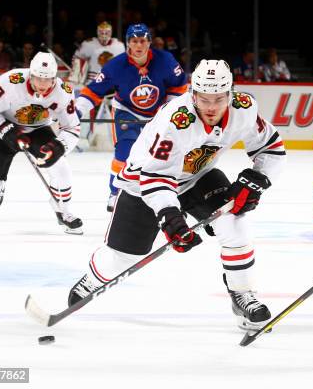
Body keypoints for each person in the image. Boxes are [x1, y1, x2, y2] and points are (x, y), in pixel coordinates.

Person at [67, 60, 286, 330]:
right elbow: (155, 177)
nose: (211, 107)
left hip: (197, 177)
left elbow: (272, 147)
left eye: (219, 98)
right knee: (122, 258)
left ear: (231, 94)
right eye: (204, 98)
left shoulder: (244, 108)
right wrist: (169, 215)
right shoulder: (175, 120)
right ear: (192, 94)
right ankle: (93, 277)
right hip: (143, 183)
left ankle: (241, 293)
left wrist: (258, 179)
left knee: (234, 223)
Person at [75, 23, 188, 212]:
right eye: (134, 41)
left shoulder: (166, 60)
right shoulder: (115, 66)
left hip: (158, 113)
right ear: (128, 43)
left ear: (149, 42)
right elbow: (94, 91)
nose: (138, 46)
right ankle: (115, 192)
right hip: (126, 111)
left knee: (163, 155)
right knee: (124, 153)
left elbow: (179, 87)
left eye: (142, 41)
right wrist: (77, 111)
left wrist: (168, 111)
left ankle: (168, 192)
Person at [0, 52, 83, 234]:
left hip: (38, 129)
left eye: (47, 79)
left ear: (54, 78)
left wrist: (58, 147)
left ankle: (63, 210)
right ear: (30, 74)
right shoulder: (10, 82)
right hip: (4, 126)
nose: (42, 84)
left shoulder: (63, 93)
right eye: (38, 79)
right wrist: (7, 132)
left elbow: (72, 128)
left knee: (61, 168)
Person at [68, 22, 125, 87]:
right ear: (97, 32)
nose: (104, 35)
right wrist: (77, 78)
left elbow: (123, 66)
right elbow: (76, 59)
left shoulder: (119, 46)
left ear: (111, 32)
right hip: (92, 82)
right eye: (102, 33)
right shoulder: (88, 44)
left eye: (106, 33)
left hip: (112, 83)